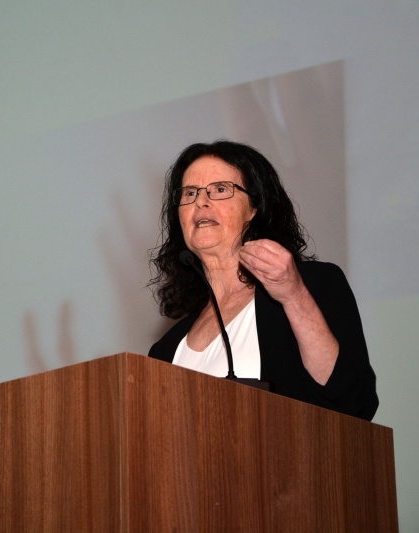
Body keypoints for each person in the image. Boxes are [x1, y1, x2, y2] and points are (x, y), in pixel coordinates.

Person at [147, 140, 378, 420]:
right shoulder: (166, 348)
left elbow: (352, 401)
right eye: (190, 193)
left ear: (254, 208)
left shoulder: (313, 285)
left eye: (220, 189)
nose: (201, 201)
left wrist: (293, 295)